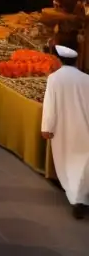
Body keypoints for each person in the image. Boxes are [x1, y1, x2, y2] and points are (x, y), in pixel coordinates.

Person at [42, 45, 89, 219]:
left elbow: (50, 105)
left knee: (69, 163)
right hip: (84, 127)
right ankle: (81, 196)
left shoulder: (54, 78)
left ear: (58, 59)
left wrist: (47, 128)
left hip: (64, 128)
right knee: (83, 163)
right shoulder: (86, 79)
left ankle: (77, 199)